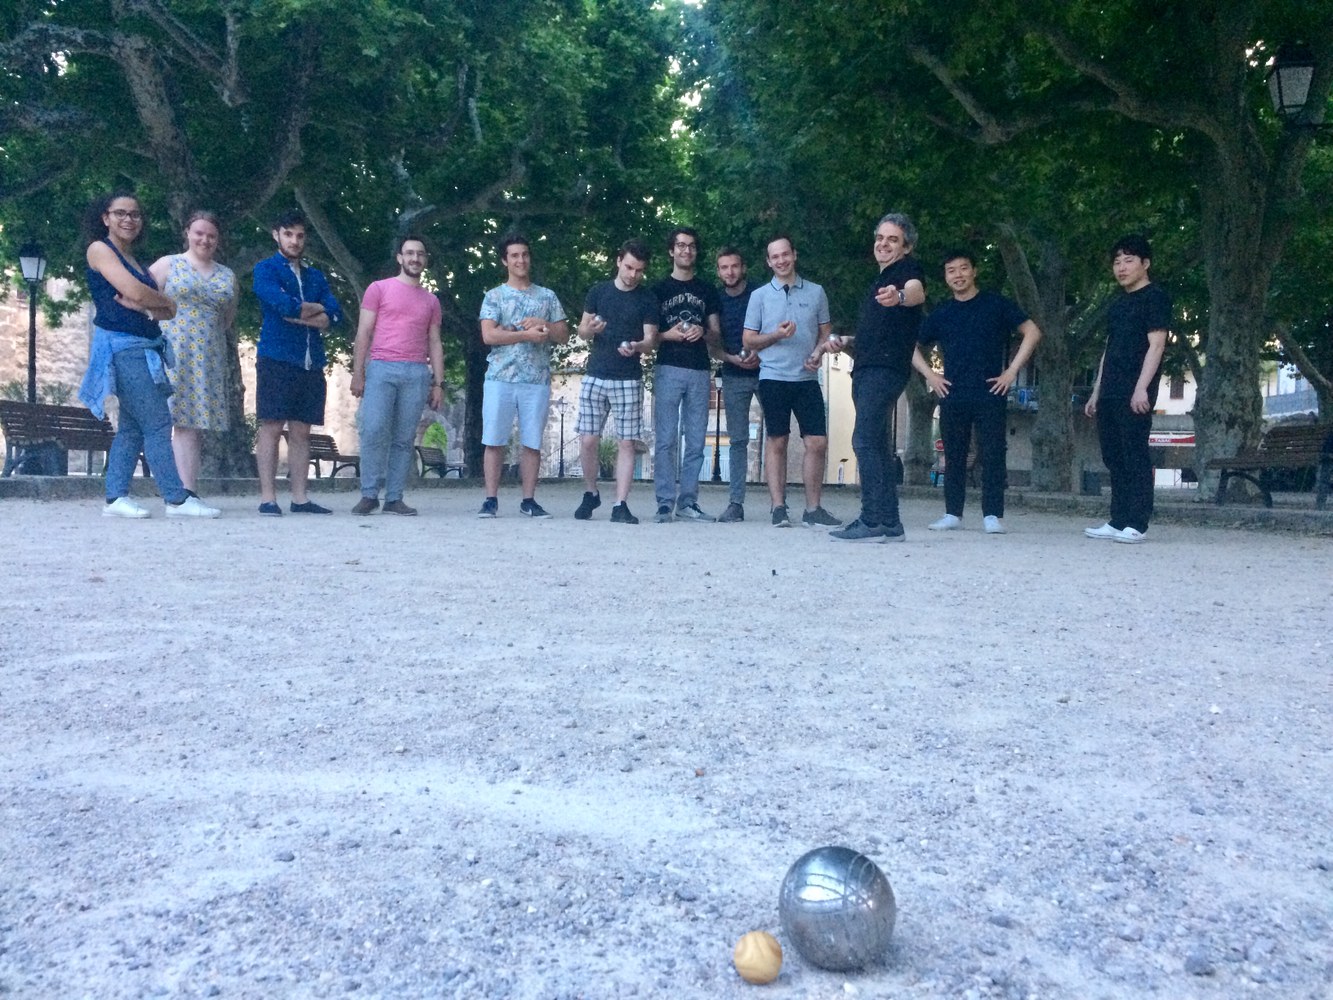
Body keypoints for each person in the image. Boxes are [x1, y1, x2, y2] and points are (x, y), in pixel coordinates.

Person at [77, 193, 221, 519]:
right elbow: (137, 293)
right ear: (105, 218)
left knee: (132, 426)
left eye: (135, 214)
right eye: (121, 213)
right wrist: (159, 301)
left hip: (145, 347)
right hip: (123, 347)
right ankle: (176, 499)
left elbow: (165, 310)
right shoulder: (100, 249)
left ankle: (115, 497)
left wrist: (156, 304)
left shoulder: (136, 261)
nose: (129, 220)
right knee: (158, 422)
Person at [810, 214, 924, 542]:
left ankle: (872, 520)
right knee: (877, 444)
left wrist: (899, 296)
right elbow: (875, 336)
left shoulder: (906, 271)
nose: (883, 244)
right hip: (870, 367)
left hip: (884, 371)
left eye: (893, 239)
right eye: (880, 238)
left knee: (863, 440)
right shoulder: (878, 282)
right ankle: (889, 523)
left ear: (907, 247)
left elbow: (916, 292)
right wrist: (846, 341)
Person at [914, 249, 1042, 535]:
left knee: (993, 452)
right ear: (946, 277)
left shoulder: (996, 304)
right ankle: (952, 513)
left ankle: (992, 514)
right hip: (952, 392)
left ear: (974, 271)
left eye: (963, 268)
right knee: (953, 454)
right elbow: (911, 345)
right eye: (951, 271)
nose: (957, 275)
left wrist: (1011, 371)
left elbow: (1032, 332)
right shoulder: (942, 313)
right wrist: (931, 375)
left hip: (990, 390)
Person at [742, 234, 842, 528]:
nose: (781, 260)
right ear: (768, 262)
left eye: (785, 254)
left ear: (794, 255)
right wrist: (776, 335)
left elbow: (825, 331)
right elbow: (748, 339)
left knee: (818, 442)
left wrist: (818, 352)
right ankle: (778, 507)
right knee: (777, 441)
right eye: (775, 256)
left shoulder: (816, 292)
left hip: (807, 378)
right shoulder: (759, 296)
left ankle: (813, 509)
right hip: (773, 377)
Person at [252, 209, 344, 516]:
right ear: (276, 234)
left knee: (302, 430)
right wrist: (315, 312)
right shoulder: (265, 270)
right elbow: (282, 306)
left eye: (300, 235)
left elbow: (335, 315)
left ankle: (300, 498)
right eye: (288, 234)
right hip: (277, 358)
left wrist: (305, 312)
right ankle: (268, 498)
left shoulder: (316, 276)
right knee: (271, 426)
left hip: (311, 361)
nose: (295, 241)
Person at [1083, 234, 1170, 544]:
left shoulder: (1156, 297)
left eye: (1128, 260)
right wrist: (1096, 391)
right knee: (1113, 455)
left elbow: (1156, 345)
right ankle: (1118, 519)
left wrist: (1142, 388)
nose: (1121, 267)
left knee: (1134, 453)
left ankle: (1137, 522)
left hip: (1135, 389)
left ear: (1145, 263)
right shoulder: (1117, 304)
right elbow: (1108, 350)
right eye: (1117, 262)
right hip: (1110, 389)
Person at [349, 236, 445, 516]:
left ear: (425, 260)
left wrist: (438, 383)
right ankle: (369, 494)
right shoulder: (378, 289)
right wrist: (358, 372)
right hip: (381, 367)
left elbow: (435, 341)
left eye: (420, 254)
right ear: (399, 258)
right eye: (410, 253)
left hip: (416, 372)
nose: (415, 258)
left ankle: (394, 498)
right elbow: (364, 332)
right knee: (373, 429)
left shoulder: (431, 300)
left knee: (404, 438)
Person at [477, 233, 570, 518]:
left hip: (536, 379)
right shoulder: (494, 296)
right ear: (505, 260)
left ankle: (528, 499)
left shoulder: (547, 296)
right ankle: (490, 499)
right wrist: (525, 335)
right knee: (494, 440)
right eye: (515, 255)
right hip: (500, 377)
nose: (521, 260)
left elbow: (564, 335)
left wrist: (544, 325)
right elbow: (488, 335)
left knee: (532, 442)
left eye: (525, 254)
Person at [148, 211, 237, 495]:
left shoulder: (227, 275)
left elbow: (227, 318)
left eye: (211, 235)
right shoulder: (168, 264)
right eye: (199, 233)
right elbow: (142, 298)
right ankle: (172, 488)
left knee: (192, 423)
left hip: (208, 356)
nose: (205, 240)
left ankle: (187, 490)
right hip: (171, 352)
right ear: (187, 232)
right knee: (165, 419)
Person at [573, 239, 659, 524]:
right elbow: (582, 331)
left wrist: (636, 346)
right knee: (588, 440)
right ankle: (591, 492)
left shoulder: (647, 298)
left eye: (639, 270)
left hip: (628, 378)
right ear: (618, 261)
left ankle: (620, 504)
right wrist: (591, 328)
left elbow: (650, 342)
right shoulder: (598, 291)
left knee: (626, 443)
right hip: (596, 373)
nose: (633, 274)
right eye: (629, 267)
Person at [651, 227, 722, 523]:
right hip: (667, 367)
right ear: (671, 251)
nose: (686, 250)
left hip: (699, 369)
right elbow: (649, 337)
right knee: (665, 439)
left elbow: (716, 335)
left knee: (695, 441)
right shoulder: (657, 289)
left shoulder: (707, 289)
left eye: (691, 246)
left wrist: (702, 331)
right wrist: (668, 334)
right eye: (680, 245)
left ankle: (688, 502)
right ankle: (665, 502)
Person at [715, 247, 760, 522]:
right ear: (719, 271)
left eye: (734, 266)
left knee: (778, 437)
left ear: (743, 268)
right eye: (724, 267)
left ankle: (779, 504)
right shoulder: (716, 300)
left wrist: (760, 354)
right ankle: (735, 503)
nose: (730, 272)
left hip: (767, 372)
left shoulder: (761, 293)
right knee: (738, 441)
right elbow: (712, 344)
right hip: (733, 374)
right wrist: (731, 358)